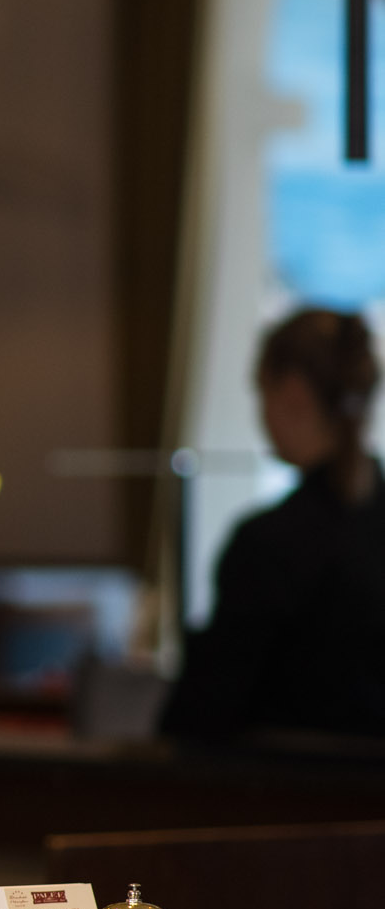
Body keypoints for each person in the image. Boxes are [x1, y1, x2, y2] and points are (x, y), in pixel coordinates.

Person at [161, 307, 385, 744]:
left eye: (260, 394)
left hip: (291, 801)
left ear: (293, 394)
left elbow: (200, 717)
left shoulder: (269, 545)